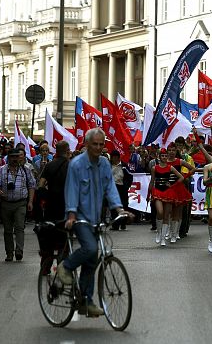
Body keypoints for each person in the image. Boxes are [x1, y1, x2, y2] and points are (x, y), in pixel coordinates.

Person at [56, 128, 127, 318]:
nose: (98, 147)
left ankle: (86, 302)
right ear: (87, 144)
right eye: (94, 144)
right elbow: (71, 190)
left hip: (96, 218)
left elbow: (110, 187)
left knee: (92, 260)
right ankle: (66, 266)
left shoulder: (104, 164)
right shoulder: (76, 164)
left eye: (101, 144)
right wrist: (71, 214)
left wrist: (119, 209)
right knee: (90, 248)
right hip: (79, 217)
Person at [0, 148, 36, 262]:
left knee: (19, 227)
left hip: (20, 203)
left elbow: (32, 185)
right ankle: (9, 253)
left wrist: (30, 202)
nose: (15, 159)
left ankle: (19, 250)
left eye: (17, 156)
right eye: (13, 157)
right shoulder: (1, 170)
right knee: (7, 230)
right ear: (8, 158)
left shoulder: (25, 170)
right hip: (6, 203)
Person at [36, 140, 70, 274]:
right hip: (66, 205)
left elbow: (41, 184)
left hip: (51, 205)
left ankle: (45, 265)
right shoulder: (71, 165)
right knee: (64, 238)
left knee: (49, 235)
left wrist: (44, 197)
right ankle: (62, 268)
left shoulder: (49, 165)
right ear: (67, 151)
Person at [149, 147, 187, 246]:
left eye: (166, 156)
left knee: (166, 215)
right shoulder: (154, 168)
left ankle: (162, 238)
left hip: (168, 192)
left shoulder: (170, 168)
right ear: (159, 157)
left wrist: (173, 185)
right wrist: (149, 194)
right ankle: (158, 232)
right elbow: (152, 181)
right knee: (160, 212)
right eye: (162, 156)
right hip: (157, 192)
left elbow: (181, 177)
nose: (164, 157)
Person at [109, 151, 128, 231]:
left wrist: (126, 186)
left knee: (124, 205)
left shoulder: (124, 166)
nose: (114, 159)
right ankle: (115, 225)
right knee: (113, 206)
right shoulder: (109, 165)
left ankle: (123, 223)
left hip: (122, 187)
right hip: (112, 188)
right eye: (112, 157)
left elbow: (129, 176)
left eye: (115, 157)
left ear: (118, 157)